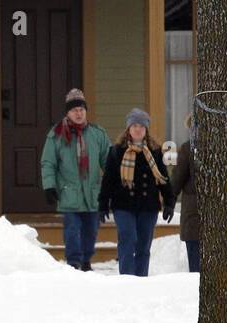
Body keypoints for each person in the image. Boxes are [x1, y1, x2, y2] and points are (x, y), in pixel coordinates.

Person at [40, 88, 111, 271]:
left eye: (81, 110)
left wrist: (111, 188)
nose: (78, 114)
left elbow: (109, 163)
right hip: (69, 192)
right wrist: (49, 186)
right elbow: (48, 163)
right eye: (74, 110)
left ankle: (86, 260)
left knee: (90, 230)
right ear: (68, 113)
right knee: (72, 230)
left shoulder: (97, 134)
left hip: (92, 193)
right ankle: (74, 261)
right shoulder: (56, 135)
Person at [99, 108, 174, 277]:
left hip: (148, 206)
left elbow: (164, 178)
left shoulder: (155, 151)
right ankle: (126, 278)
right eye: (134, 126)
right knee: (128, 239)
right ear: (128, 129)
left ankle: (141, 279)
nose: (138, 129)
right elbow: (108, 180)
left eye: (141, 126)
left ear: (146, 129)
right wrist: (103, 204)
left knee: (143, 245)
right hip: (123, 205)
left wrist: (169, 202)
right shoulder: (117, 151)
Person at [168, 114, 201, 272]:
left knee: (196, 265)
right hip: (195, 213)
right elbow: (177, 179)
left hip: (193, 214)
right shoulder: (188, 149)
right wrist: (170, 199)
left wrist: (170, 199)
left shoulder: (188, 148)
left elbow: (177, 179)